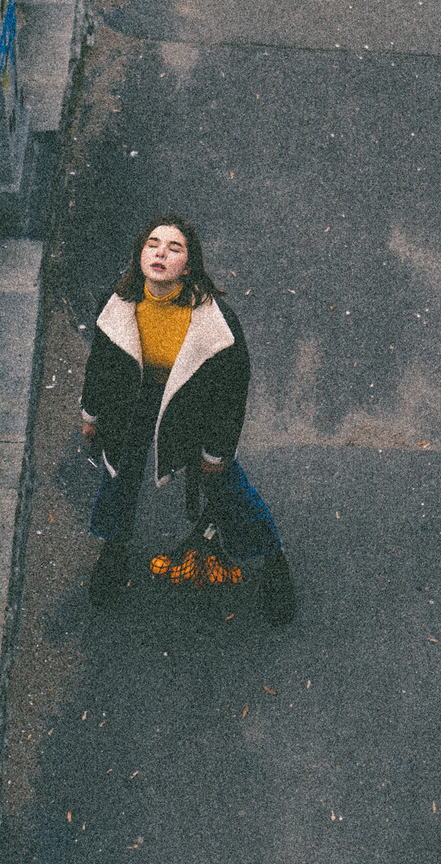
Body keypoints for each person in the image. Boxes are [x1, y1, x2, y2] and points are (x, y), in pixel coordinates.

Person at [78, 215, 297, 624]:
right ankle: (114, 549)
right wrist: (91, 414)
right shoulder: (119, 303)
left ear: (189, 265)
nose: (161, 252)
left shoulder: (216, 324)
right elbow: (101, 366)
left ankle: (272, 561)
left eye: (174, 248)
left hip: (191, 406)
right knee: (118, 474)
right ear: (140, 255)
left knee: (227, 485)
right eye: (153, 244)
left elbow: (231, 397)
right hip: (135, 400)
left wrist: (217, 452)